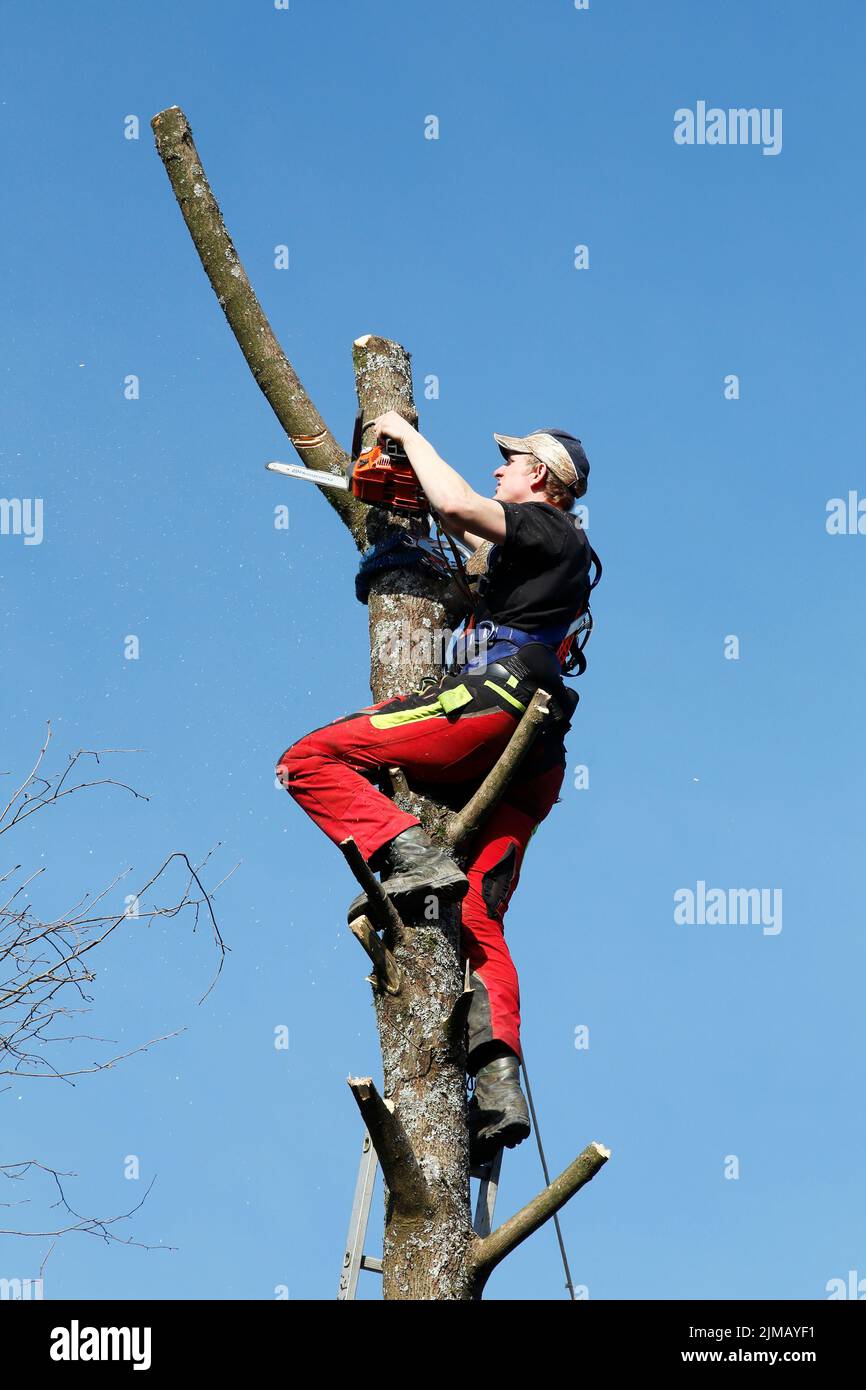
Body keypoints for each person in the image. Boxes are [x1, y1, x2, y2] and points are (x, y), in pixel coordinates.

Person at [275, 416, 598, 1163]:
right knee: (479, 915)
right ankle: (497, 1080)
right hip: (532, 758)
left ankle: (407, 847)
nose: (498, 473)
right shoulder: (540, 568)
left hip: (490, 710)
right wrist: (399, 554)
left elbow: (457, 507)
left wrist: (404, 438)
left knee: (306, 758)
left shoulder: (554, 531)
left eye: (510, 464)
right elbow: (466, 574)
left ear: (541, 479)